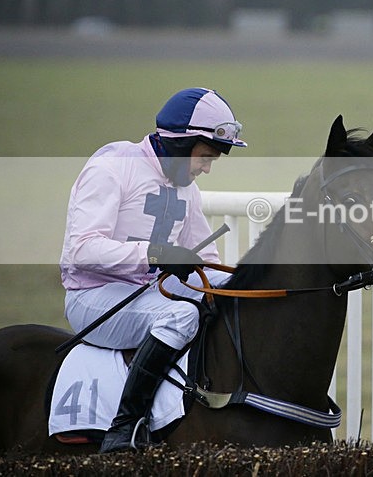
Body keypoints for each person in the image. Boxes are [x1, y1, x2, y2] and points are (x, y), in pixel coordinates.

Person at [60, 87, 247, 453]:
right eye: (205, 156)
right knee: (180, 316)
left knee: (227, 298)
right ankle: (125, 425)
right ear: (181, 143)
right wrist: (157, 254)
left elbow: (205, 262)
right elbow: (80, 250)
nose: (206, 168)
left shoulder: (185, 188)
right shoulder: (112, 168)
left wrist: (248, 282)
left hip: (146, 295)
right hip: (92, 297)